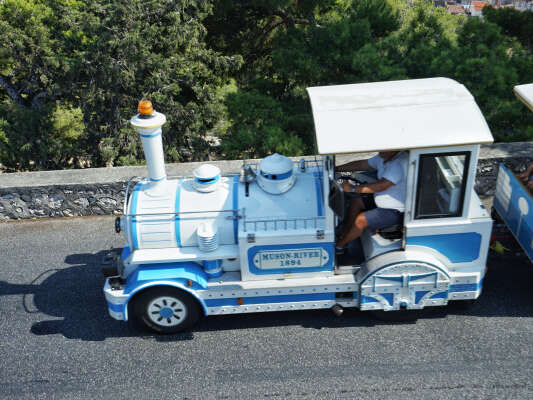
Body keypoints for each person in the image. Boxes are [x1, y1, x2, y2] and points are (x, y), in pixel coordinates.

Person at [335, 151, 408, 252]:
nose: (380, 151)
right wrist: (337, 168)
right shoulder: (384, 156)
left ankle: (340, 246)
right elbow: (362, 165)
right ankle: (345, 233)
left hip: (396, 210)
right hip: (383, 199)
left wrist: (352, 188)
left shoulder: (398, 163)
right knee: (356, 201)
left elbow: (381, 185)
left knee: (361, 220)